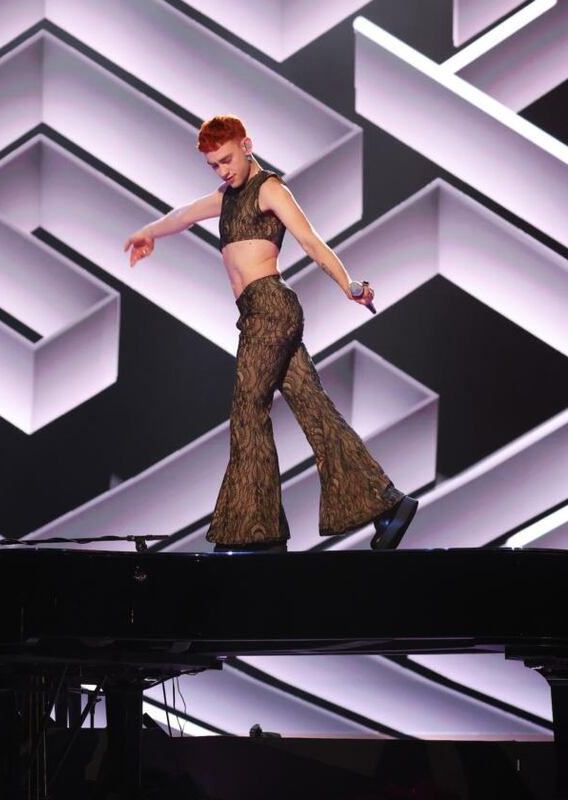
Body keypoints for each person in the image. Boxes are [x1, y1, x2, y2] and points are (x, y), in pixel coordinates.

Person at [124, 114, 417, 552]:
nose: (223, 170)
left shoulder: (270, 189)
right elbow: (183, 215)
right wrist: (150, 232)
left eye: (226, 160)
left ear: (247, 144)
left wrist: (350, 285)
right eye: (214, 166)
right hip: (256, 315)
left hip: (271, 312)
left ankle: (256, 535)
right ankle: (387, 507)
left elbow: (312, 242)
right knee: (314, 410)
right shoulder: (227, 197)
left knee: (247, 410)